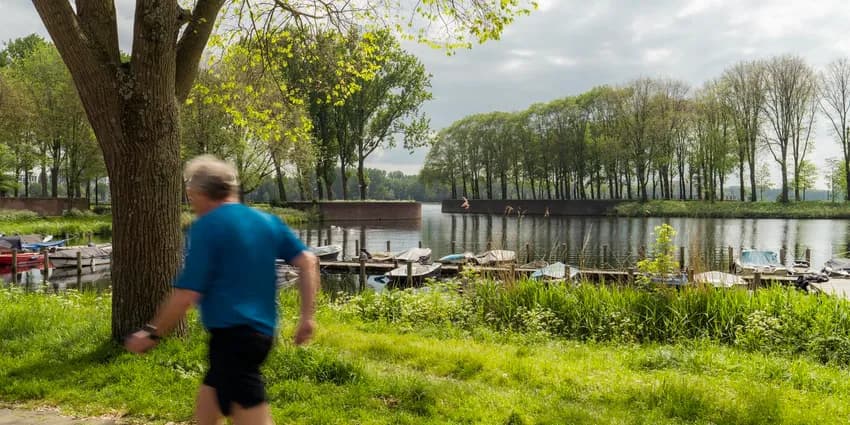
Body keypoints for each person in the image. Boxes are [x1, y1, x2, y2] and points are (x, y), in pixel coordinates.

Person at [125, 155, 319, 425]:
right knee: (206, 409)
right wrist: (307, 317)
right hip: (256, 336)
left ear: (201, 193)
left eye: (191, 197)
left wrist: (152, 333)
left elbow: (186, 295)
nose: (191, 204)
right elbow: (308, 261)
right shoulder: (268, 222)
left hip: (235, 340)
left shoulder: (207, 227)